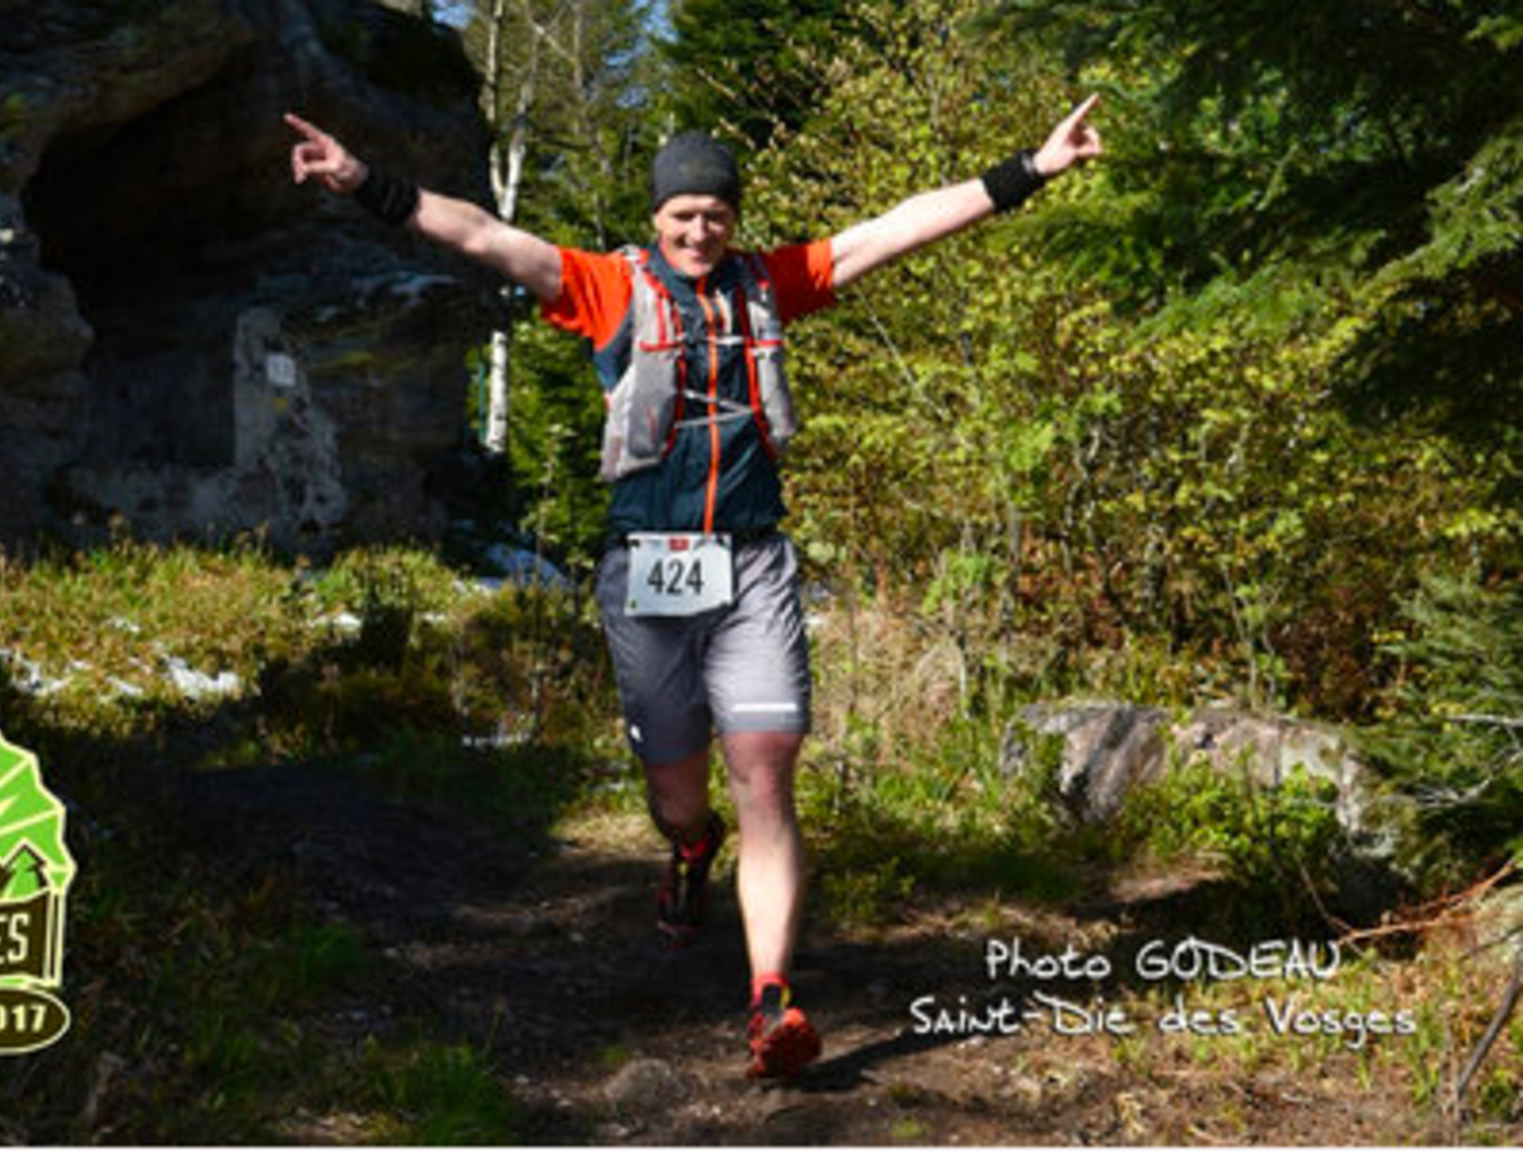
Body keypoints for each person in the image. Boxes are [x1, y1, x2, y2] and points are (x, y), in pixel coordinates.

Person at [286, 96, 1102, 1079]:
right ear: (657, 217)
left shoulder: (772, 283)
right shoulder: (606, 287)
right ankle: (689, 847)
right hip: (648, 571)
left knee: (764, 766)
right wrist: (361, 181)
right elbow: (486, 235)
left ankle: (771, 998)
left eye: (716, 213)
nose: (700, 229)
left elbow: (894, 229)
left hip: (753, 564)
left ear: (733, 218)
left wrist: (1029, 169)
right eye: (683, 214)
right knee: (678, 792)